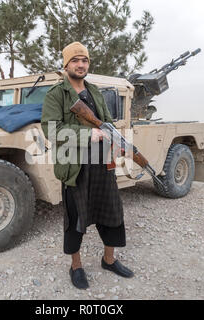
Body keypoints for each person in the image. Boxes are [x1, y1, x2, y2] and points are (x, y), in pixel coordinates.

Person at [41, 42, 134, 290]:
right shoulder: (56, 94)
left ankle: (109, 259)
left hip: (103, 164)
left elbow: (106, 123)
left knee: (111, 213)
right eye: (75, 60)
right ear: (66, 64)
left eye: (85, 60)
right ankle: (76, 266)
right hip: (76, 168)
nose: (81, 64)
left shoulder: (94, 91)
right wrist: (86, 135)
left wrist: (117, 141)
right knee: (76, 219)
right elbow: (50, 129)